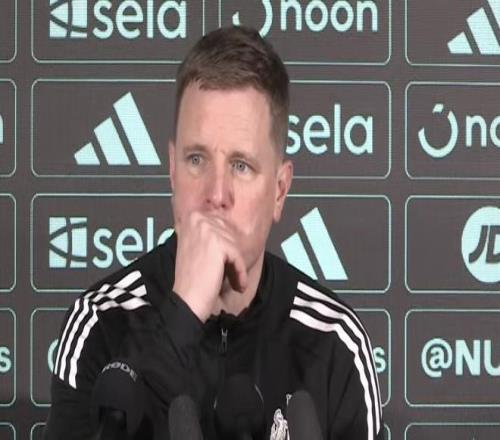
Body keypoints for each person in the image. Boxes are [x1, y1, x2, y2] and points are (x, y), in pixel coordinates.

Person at [44, 26, 384, 440]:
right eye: (196, 159)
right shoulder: (101, 324)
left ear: (279, 191)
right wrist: (180, 316)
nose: (216, 194)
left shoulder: (334, 342)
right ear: (172, 170)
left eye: (241, 166)